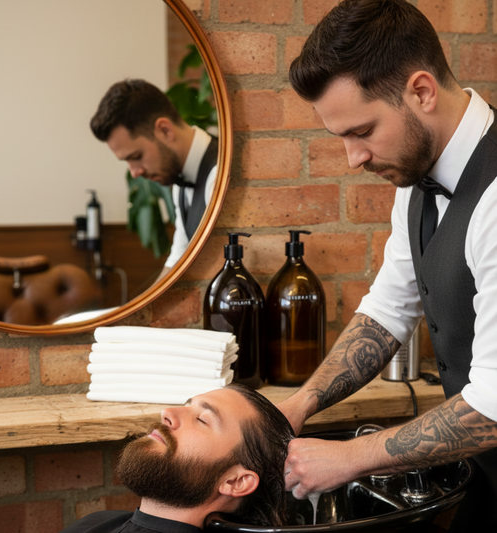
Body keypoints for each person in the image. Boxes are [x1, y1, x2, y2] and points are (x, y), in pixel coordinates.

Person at [277, 0, 497, 529]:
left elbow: (493, 408)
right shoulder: (416, 174)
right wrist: (302, 403)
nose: (354, 158)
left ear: (421, 92)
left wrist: (348, 458)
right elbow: (387, 312)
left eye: (362, 131)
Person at [59, 384, 295, 532]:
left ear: (236, 481)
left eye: (202, 419)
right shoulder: (98, 521)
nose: (167, 414)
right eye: (186, 405)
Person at [90, 79, 218, 281]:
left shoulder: (218, 175)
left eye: (135, 156)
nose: (134, 173)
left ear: (165, 130)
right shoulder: (179, 177)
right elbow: (177, 258)